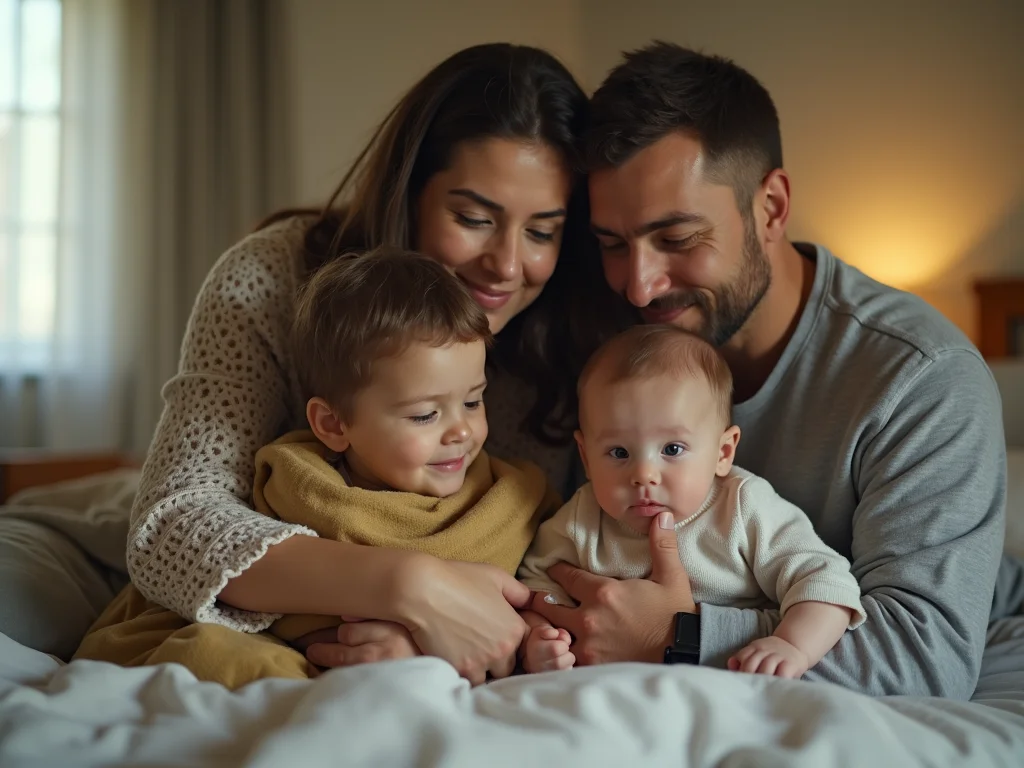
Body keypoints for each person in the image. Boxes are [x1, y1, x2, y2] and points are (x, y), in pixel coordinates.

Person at [122, 43, 616, 687]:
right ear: (409, 194)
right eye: (472, 218)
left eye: (542, 232)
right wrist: (409, 586)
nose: (507, 265)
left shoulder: (574, 334)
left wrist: (427, 641)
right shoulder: (268, 282)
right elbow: (171, 527)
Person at [525, 41, 1007, 698]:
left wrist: (676, 636)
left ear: (772, 207)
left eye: (677, 239)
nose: (637, 287)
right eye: (612, 243)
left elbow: (925, 661)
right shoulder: (611, 341)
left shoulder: (918, 377)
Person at [75, 249, 557, 689]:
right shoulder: (302, 489)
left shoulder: (508, 495)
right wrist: (384, 639)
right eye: (425, 415)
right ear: (333, 424)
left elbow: (535, 587)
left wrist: (535, 635)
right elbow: (274, 609)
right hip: (309, 658)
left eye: (473, 401)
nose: (461, 432)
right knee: (217, 657)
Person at [518, 325, 865, 677]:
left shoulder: (743, 507)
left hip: (725, 679)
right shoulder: (581, 518)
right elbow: (533, 587)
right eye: (619, 452)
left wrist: (792, 645)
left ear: (723, 452)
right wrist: (541, 639)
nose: (644, 474)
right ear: (586, 457)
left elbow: (826, 582)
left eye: (672, 449)